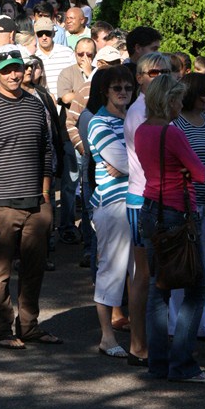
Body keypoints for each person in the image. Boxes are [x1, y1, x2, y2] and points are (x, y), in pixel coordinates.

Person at [0, 45, 61, 348]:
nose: (14, 74)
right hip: (0, 205)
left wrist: (46, 195)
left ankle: (29, 325)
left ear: (25, 69)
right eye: (6, 70)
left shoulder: (35, 105)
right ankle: (2, 330)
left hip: (36, 204)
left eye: (18, 68)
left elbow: (47, 151)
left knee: (34, 270)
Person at [136, 74, 205, 383]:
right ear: (169, 101)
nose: (181, 105)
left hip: (150, 210)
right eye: (179, 100)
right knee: (196, 287)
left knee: (160, 288)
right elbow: (199, 172)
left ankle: (158, 364)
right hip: (178, 214)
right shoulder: (172, 133)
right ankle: (183, 363)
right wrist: (185, 166)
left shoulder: (143, 131)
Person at [169, 73, 205, 340]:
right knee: (182, 266)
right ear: (191, 94)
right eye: (204, 93)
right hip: (184, 204)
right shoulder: (176, 123)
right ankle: (175, 324)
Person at [124, 52, 172, 368]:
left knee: (149, 275)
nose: (163, 77)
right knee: (145, 276)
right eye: (155, 73)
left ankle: (146, 343)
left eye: (168, 72)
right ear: (140, 77)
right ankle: (140, 345)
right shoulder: (143, 112)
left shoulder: (153, 110)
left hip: (149, 197)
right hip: (144, 199)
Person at [88, 66, 135, 357]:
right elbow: (128, 163)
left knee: (136, 272)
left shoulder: (134, 119)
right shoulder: (98, 123)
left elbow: (128, 164)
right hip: (113, 204)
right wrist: (131, 163)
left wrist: (127, 164)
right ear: (105, 91)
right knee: (112, 269)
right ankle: (107, 337)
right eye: (117, 88)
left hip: (137, 201)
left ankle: (139, 338)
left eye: (128, 88)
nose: (123, 93)